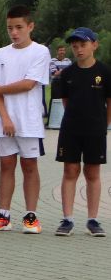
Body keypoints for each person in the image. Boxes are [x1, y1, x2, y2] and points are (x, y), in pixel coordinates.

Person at [0, 6, 50, 234]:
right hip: (5, 121)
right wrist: (5, 117)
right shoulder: (1, 54)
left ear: (30, 26)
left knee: (29, 166)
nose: (14, 32)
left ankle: (31, 216)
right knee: (6, 166)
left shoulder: (40, 52)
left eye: (19, 27)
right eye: (10, 28)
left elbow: (28, 84)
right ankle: (4, 215)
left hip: (29, 121)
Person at [52, 28, 110, 237]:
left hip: (95, 130)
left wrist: (103, 125)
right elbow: (67, 102)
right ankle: (67, 219)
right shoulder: (67, 74)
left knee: (92, 173)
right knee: (70, 171)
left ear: (95, 44)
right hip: (71, 130)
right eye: (75, 46)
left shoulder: (104, 72)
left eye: (83, 45)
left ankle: (93, 220)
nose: (78, 49)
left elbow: (109, 103)